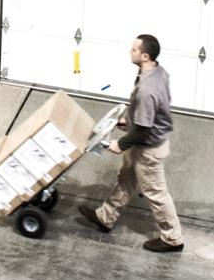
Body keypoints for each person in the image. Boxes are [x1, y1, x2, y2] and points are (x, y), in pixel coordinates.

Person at [79, 33, 185, 252]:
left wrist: (122, 144)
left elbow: (145, 128)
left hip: (148, 149)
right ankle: (105, 217)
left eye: (134, 49)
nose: (130, 51)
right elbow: (150, 113)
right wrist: (128, 121)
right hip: (144, 142)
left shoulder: (147, 89)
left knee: (156, 193)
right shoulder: (157, 71)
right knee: (126, 180)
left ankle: (173, 239)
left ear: (145, 56)